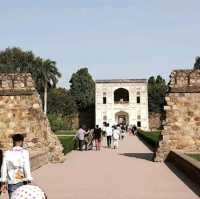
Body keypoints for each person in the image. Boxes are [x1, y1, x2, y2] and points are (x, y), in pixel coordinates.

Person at [1, 134, 32, 199]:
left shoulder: (7, 153)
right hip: (22, 182)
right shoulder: (24, 152)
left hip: (11, 182)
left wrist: (3, 182)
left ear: (13, 142)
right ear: (21, 142)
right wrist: (29, 179)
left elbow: (3, 168)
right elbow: (26, 167)